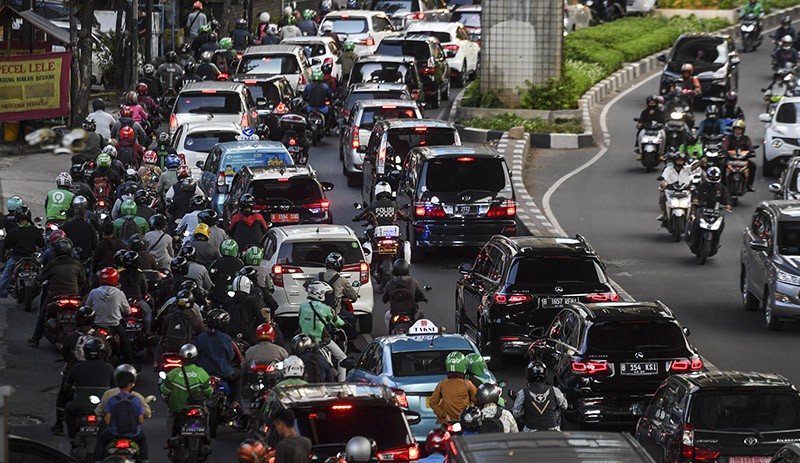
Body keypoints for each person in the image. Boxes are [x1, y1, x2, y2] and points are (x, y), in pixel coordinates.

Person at [29, 238, 86, 347]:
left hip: (55, 295)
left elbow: (41, 278)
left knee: (43, 314)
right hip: (74, 295)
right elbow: (83, 281)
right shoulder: (77, 264)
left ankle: (36, 338)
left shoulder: (52, 264)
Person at [94, 364, 149, 463]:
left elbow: (107, 421)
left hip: (114, 432)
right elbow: (140, 421)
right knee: (142, 440)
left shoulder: (112, 399)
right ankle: (145, 460)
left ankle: (98, 461)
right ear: (131, 384)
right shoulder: (136, 399)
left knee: (101, 440)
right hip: (134, 433)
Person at [60, 339, 115, 436]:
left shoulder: (77, 367)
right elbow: (115, 386)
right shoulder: (109, 367)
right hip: (102, 407)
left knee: (68, 408)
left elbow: (66, 385)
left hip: (80, 406)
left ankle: (72, 435)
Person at [160, 344, 213, 436]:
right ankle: (206, 436)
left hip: (177, 409)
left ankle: (171, 437)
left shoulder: (173, 374)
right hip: (198, 407)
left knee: (171, 415)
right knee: (206, 413)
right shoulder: (202, 373)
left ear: (181, 358)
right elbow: (209, 392)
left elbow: (165, 391)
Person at [195, 309, 244, 409]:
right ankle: (235, 401)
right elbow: (231, 356)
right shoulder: (225, 338)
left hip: (203, 373)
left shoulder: (200, 337)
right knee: (239, 374)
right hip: (224, 372)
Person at [298, 281, 346, 381]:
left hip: (304, 340)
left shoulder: (302, 306)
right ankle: (342, 383)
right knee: (342, 357)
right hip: (321, 340)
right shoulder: (325, 308)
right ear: (320, 294)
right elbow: (337, 323)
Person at [86, 267, 135, 364]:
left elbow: (87, 307)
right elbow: (127, 311)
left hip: (96, 325)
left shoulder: (94, 292)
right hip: (114, 326)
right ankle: (130, 364)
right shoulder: (119, 293)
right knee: (125, 344)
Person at [0, 206, 44, 298]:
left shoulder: (13, 231)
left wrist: (3, 259)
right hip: (31, 258)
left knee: (5, 275)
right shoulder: (34, 230)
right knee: (41, 272)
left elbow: (6, 245)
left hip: (16, 258)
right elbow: (41, 244)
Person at [513, 361, 567, 432]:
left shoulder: (523, 393)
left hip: (531, 431)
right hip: (554, 431)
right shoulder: (554, 390)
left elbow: (516, 413)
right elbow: (564, 406)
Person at [157, 290, 206, 364]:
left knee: (161, 339)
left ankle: (156, 362)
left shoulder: (170, 317)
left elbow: (163, 332)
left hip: (170, 349)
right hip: (188, 351)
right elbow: (202, 333)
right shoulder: (195, 319)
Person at [320, 252, 359, 344]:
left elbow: (308, 286)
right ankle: (350, 343)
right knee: (352, 318)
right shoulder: (342, 280)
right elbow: (353, 296)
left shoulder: (318, 277)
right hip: (335, 312)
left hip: (318, 311)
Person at [429, 352, 477, 425]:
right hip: (464, 422)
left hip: (446, 423)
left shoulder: (442, 384)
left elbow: (432, 402)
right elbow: (477, 399)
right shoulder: (467, 384)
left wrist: (444, 415)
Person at [382, 258, 426, 330]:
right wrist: (423, 299)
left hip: (395, 313)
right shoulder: (413, 282)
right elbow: (420, 295)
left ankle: (389, 333)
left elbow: (384, 299)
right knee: (420, 315)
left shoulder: (390, 283)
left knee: (387, 316)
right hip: (411, 313)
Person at [223, 275, 266, 346]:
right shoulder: (251, 301)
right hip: (248, 336)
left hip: (230, 336)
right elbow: (260, 319)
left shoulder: (227, 301)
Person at [118, 251, 153, 335]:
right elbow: (144, 289)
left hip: (123, 300)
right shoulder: (140, 274)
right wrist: (144, 296)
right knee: (148, 312)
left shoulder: (119, 273)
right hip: (137, 300)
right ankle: (148, 331)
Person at [658, 151, 696, 222]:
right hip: (671, 189)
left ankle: (692, 213)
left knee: (695, 197)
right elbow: (663, 178)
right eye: (678, 160)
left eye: (681, 160)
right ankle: (663, 213)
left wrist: (700, 163)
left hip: (684, 189)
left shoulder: (686, 169)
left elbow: (693, 168)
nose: (679, 162)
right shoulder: (668, 169)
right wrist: (664, 185)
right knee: (662, 196)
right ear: (675, 161)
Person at [722, 119, 757, 192]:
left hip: (743, 159)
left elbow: (750, 147)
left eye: (739, 129)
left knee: (753, 166)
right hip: (730, 159)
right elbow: (725, 145)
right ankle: (722, 185)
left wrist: (751, 152)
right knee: (722, 165)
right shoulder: (729, 138)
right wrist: (724, 151)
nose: (738, 131)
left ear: (743, 130)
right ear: (733, 130)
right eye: (736, 129)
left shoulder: (746, 138)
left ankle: (749, 185)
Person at [61, 197, 98, 262]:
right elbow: (95, 244)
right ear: (84, 215)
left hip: (71, 259)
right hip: (85, 258)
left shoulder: (67, 226)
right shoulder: (89, 226)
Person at [208, 239, 244, 305]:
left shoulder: (217, 262)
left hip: (217, 297)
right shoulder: (239, 263)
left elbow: (210, 276)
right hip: (234, 298)